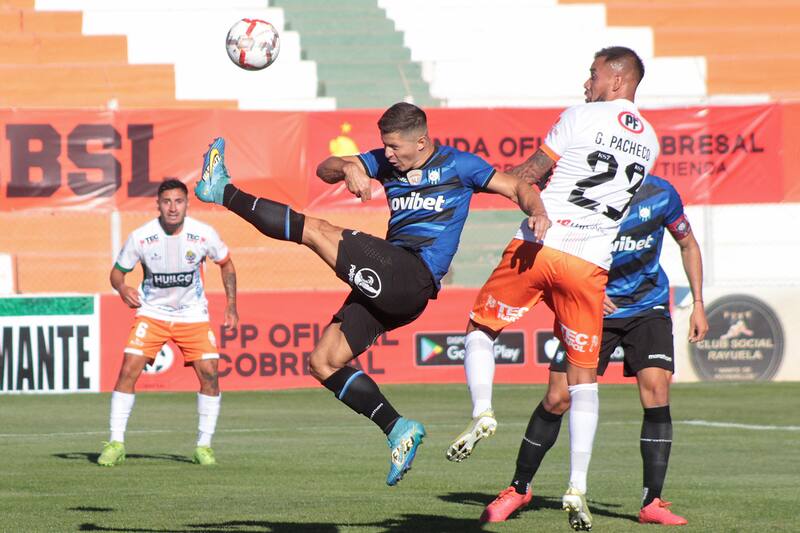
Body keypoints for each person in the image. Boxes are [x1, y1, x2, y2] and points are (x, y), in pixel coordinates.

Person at [193, 102, 550, 486]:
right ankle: (398, 428)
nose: (389, 154)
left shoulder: (459, 165)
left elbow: (516, 185)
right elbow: (324, 168)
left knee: (315, 230)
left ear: (422, 141)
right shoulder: (383, 161)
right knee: (323, 362)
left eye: (396, 147)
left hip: (412, 274)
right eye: (385, 146)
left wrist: (538, 212)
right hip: (393, 284)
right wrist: (349, 167)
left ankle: (222, 191)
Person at [447, 46, 660, 530]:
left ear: (618, 81)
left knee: (480, 327)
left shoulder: (580, 115)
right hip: (589, 266)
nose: (587, 83)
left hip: (542, 245)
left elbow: (528, 176)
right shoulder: (649, 140)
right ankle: (577, 486)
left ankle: (482, 410)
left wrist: (474, 182)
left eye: (594, 75)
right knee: (584, 382)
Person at [477, 173, 708, 526]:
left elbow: (688, 244)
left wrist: (699, 303)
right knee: (558, 397)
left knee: (657, 389)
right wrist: (587, 292)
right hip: (589, 304)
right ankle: (519, 489)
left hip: (648, 306)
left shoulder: (663, 194)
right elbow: (553, 259)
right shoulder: (583, 196)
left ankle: (652, 502)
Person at [97, 179, 238, 467]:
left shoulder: (203, 234)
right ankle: (115, 442)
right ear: (158, 205)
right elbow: (117, 273)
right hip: (153, 314)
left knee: (210, 374)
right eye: (167, 202)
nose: (173, 207)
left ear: (187, 203)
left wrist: (232, 306)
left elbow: (226, 263)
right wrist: (123, 289)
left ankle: (204, 446)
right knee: (128, 369)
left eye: (179, 201)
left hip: (192, 315)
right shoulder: (141, 237)